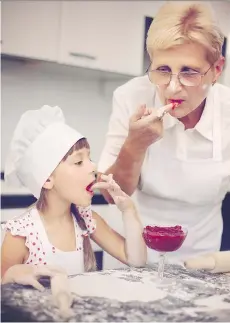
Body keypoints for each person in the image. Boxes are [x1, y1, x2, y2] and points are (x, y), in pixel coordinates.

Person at [98, 1, 230, 264]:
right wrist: (134, 146)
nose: (172, 88)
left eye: (189, 72)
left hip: (201, 258)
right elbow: (110, 195)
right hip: (132, 252)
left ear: (216, 70)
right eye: (163, 70)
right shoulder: (130, 96)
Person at [1, 105, 147, 286]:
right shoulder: (21, 234)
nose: (93, 167)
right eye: (78, 162)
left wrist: (128, 210)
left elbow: (136, 260)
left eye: (89, 158)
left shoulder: (85, 219)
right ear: (47, 180)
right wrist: (11, 275)